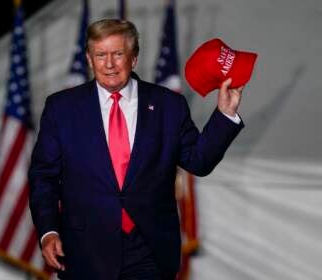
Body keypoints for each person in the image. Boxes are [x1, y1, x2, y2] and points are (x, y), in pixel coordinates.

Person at [28, 19, 244, 280]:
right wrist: (48, 231)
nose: (109, 64)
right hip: (85, 250)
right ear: (88, 59)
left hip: (149, 249)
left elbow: (199, 161)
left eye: (118, 54)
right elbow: (44, 178)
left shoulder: (168, 105)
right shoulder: (61, 109)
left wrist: (225, 114)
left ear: (134, 59)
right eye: (100, 55)